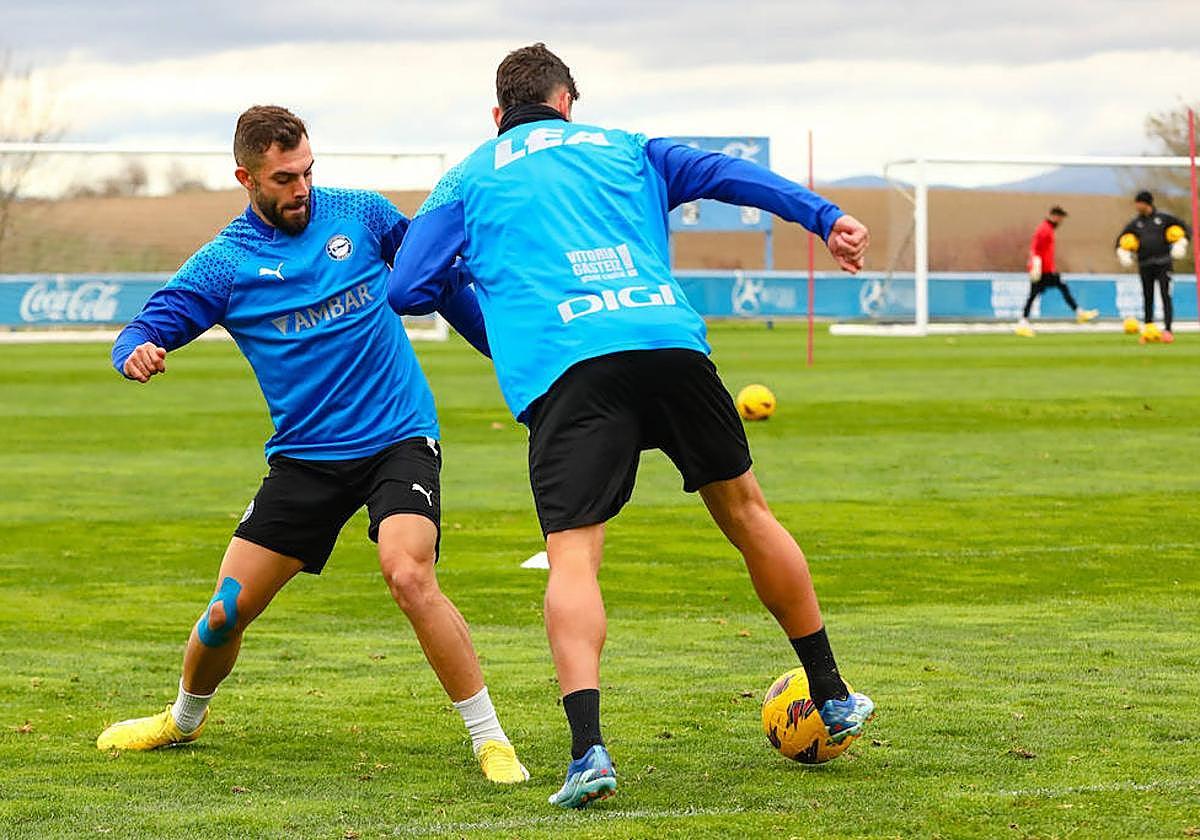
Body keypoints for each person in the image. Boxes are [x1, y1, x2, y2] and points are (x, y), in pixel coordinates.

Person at [387, 43, 874, 809]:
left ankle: (589, 755)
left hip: (569, 372)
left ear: (497, 114)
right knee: (749, 514)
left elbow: (409, 287)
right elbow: (724, 174)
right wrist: (825, 217)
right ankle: (834, 691)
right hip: (670, 344)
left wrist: (492, 308)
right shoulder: (626, 146)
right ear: (567, 101)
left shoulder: (468, 176)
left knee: (573, 561)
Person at [95, 105, 529, 784]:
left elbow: (439, 279)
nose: (300, 188)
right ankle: (181, 720)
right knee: (223, 614)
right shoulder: (227, 263)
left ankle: (490, 739)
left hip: (397, 438)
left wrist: (508, 355)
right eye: (283, 178)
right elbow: (151, 322)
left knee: (409, 573)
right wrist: (136, 353)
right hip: (304, 459)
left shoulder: (361, 213)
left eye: (306, 171)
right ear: (245, 176)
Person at [1115, 190, 1190, 344]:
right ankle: (1148, 329)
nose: (1137, 206)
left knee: (1165, 295)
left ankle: (1168, 330)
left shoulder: (1164, 219)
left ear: (1146, 203)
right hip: (1145, 265)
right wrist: (1123, 253)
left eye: (1139, 203)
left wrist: (1181, 243)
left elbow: (1186, 229)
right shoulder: (1135, 223)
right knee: (1147, 297)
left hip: (1163, 264)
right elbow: (1120, 241)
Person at [1015, 205, 1098, 336]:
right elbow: (1036, 249)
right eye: (1060, 218)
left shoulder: (1047, 229)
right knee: (1056, 289)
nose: (1061, 221)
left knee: (1037, 294)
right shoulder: (1045, 230)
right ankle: (1079, 313)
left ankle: (1023, 322)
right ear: (1054, 216)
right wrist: (1035, 266)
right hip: (1043, 270)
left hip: (1044, 269)